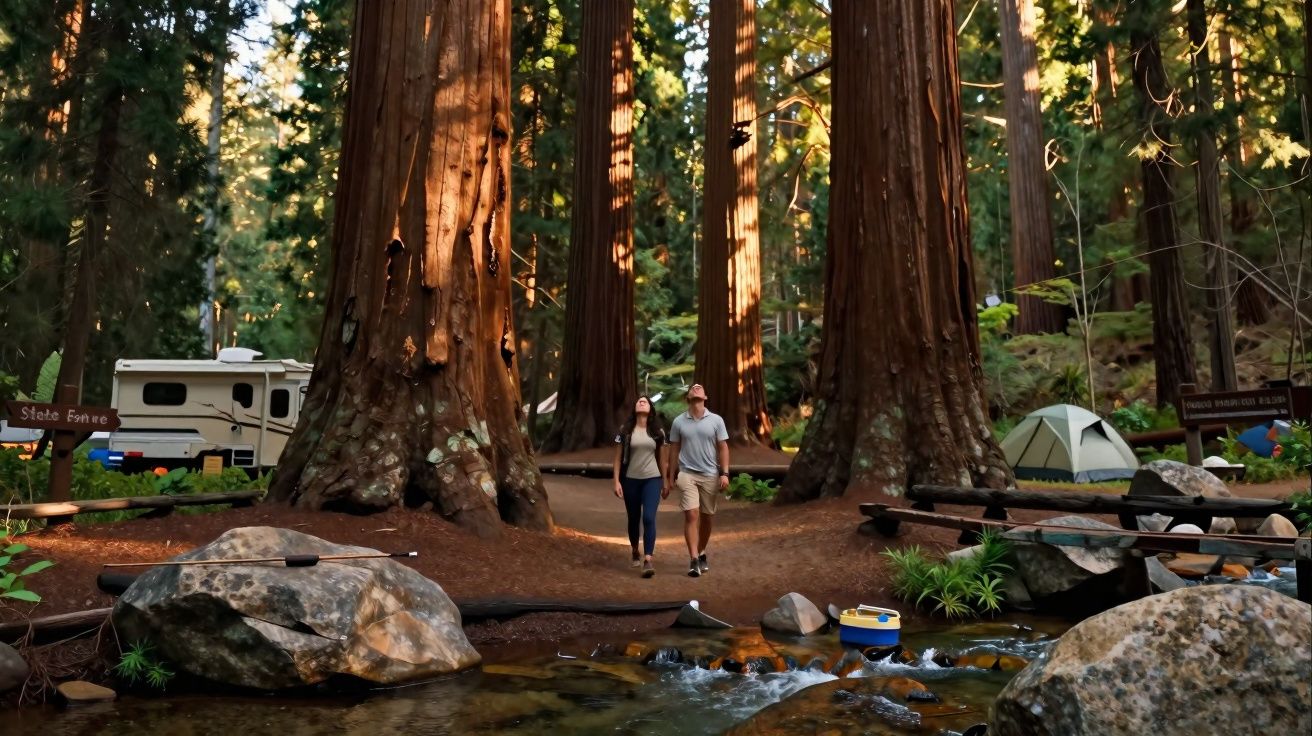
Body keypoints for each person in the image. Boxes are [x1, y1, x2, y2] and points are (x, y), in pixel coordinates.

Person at [665, 383, 729, 578]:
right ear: (688, 397)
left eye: (700, 388)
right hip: (687, 473)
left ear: (705, 397)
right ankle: (693, 560)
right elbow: (674, 449)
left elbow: (723, 447)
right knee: (692, 515)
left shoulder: (716, 420)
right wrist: (670, 477)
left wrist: (724, 473)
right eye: (693, 388)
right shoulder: (679, 422)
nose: (697, 387)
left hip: (710, 473)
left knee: (707, 517)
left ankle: (701, 551)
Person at [612, 396, 668, 578]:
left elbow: (662, 458)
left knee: (649, 518)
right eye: (638, 400)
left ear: (651, 408)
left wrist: (665, 481)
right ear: (635, 408)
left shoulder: (657, 431)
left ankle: (648, 559)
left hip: (652, 479)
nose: (641, 401)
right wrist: (616, 481)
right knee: (633, 518)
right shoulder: (625, 430)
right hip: (630, 480)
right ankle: (635, 549)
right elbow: (618, 458)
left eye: (645, 400)